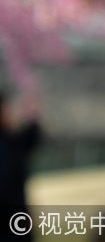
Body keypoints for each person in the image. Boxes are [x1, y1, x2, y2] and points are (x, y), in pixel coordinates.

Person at [0, 93, 40, 241]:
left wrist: (33, 117)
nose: (9, 114)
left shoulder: (9, 140)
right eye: (6, 109)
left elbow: (28, 140)